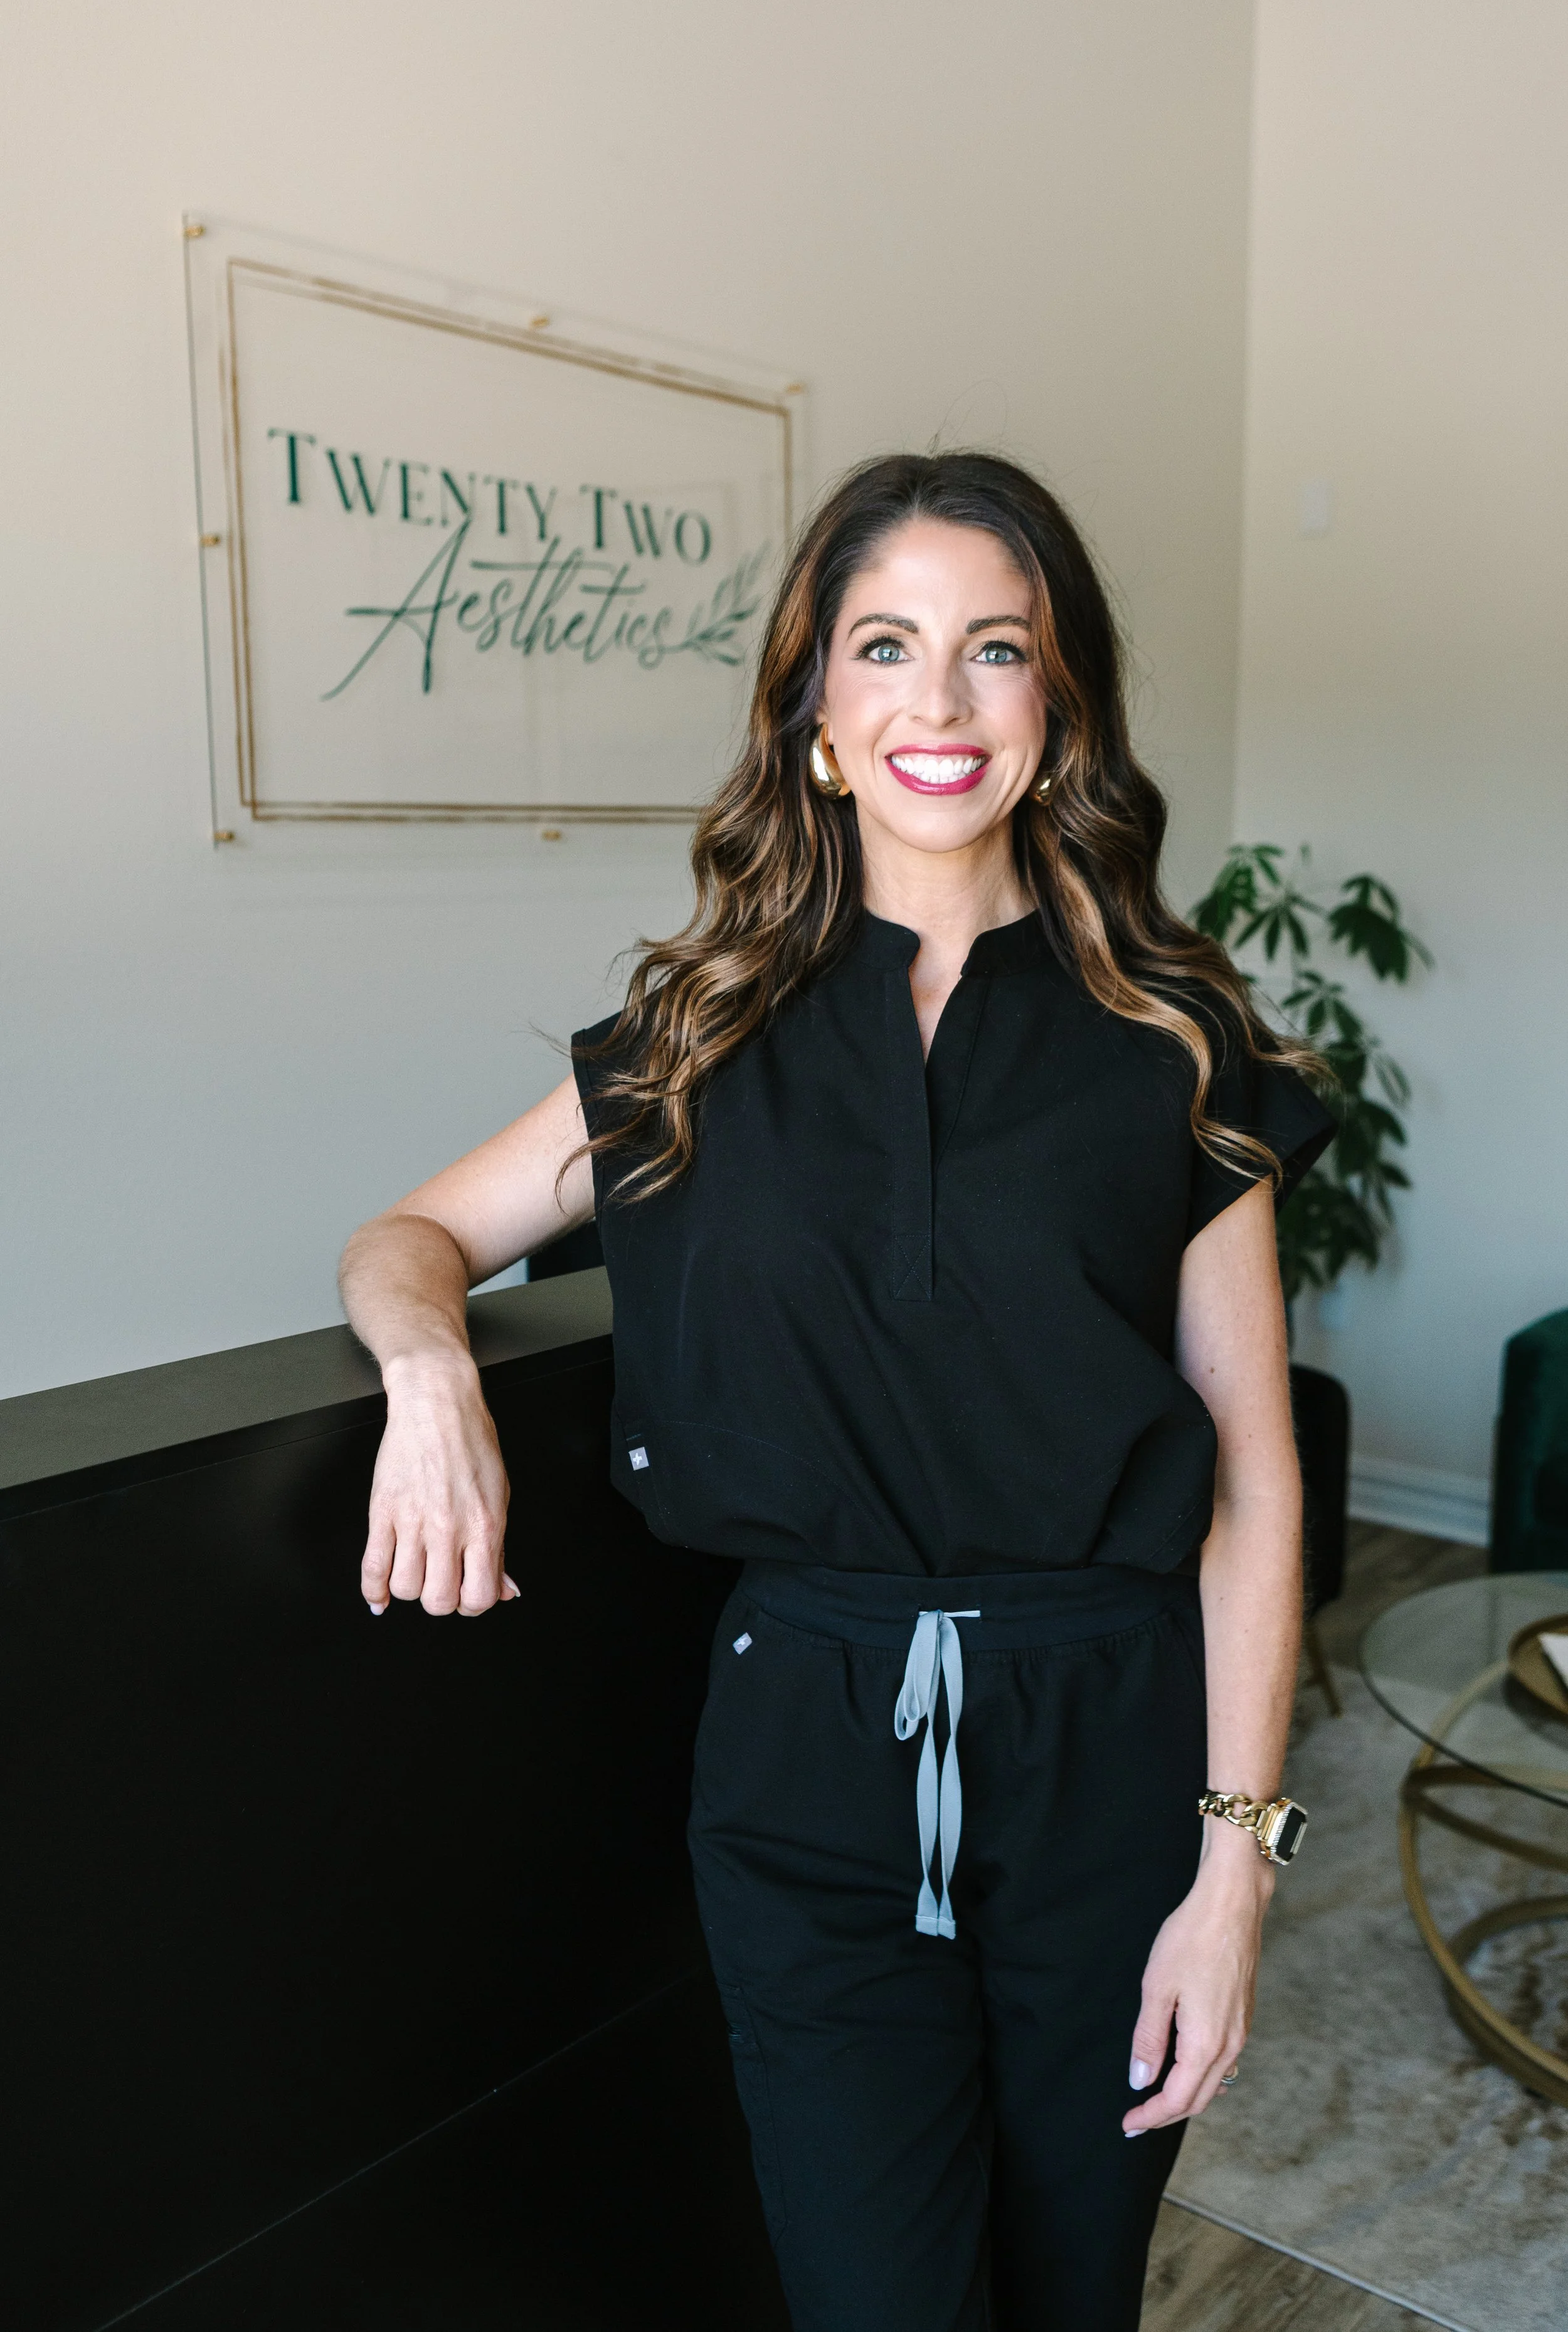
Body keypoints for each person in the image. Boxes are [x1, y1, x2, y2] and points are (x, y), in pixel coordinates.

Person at [339, 452, 1334, 2331]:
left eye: (995, 651)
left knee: (1067, 2293)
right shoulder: (693, 1037)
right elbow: (409, 1235)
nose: (937, 701)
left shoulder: (1173, 1042)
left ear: (1059, 712)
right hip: (801, 1761)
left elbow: (1256, 1487)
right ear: (814, 715)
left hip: (1109, 1760)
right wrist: (428, 1374)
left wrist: (1236, 1874)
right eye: (884, 646)